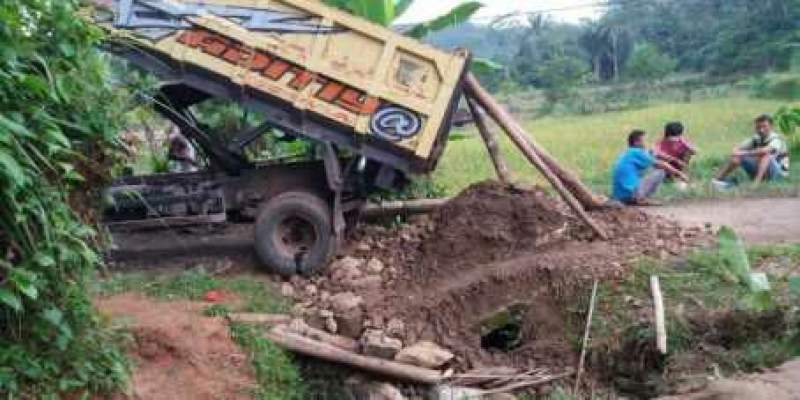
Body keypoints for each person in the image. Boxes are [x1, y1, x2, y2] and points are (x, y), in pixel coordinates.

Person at [612, 130, 690, 205]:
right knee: (661, 171)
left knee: (650, 169)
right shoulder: (637, 152)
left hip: (621, 195)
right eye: (644, 140)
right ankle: (641, 198)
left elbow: (657, 154)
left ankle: (638, 197)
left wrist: (676, 160)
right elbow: (661, 164)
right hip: (631, 192)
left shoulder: (630, 152)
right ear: (637, 142)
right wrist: (680, 174)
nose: (647, 143)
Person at [712, 114, 789, 189]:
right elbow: (737, 148)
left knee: (765, 155)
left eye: (764, 126)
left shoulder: (776, 139)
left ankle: (756, 184)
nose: (761, 130)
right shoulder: (756, 138)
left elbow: (765, 151)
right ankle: (718, 179)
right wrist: (737, 152)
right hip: (763, 169)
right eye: (758, 127)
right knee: (737, 157)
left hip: (778, 173)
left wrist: (744, 153)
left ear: (771, 127)